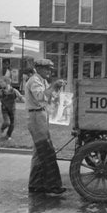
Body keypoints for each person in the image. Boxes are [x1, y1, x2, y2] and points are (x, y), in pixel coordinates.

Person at [25, 58, 67, 196]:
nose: (49, 71)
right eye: (47, 69)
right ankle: (53, 185)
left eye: (50, 69)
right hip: (36, 116)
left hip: (40, 116)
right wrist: (54, 86)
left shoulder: (42, 80)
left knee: (39, 153)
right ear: (38, 68)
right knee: (47, 152)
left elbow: (51, 98)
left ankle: (35, 185)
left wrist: (57, 88)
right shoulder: (34, 80)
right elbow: (41, 97)